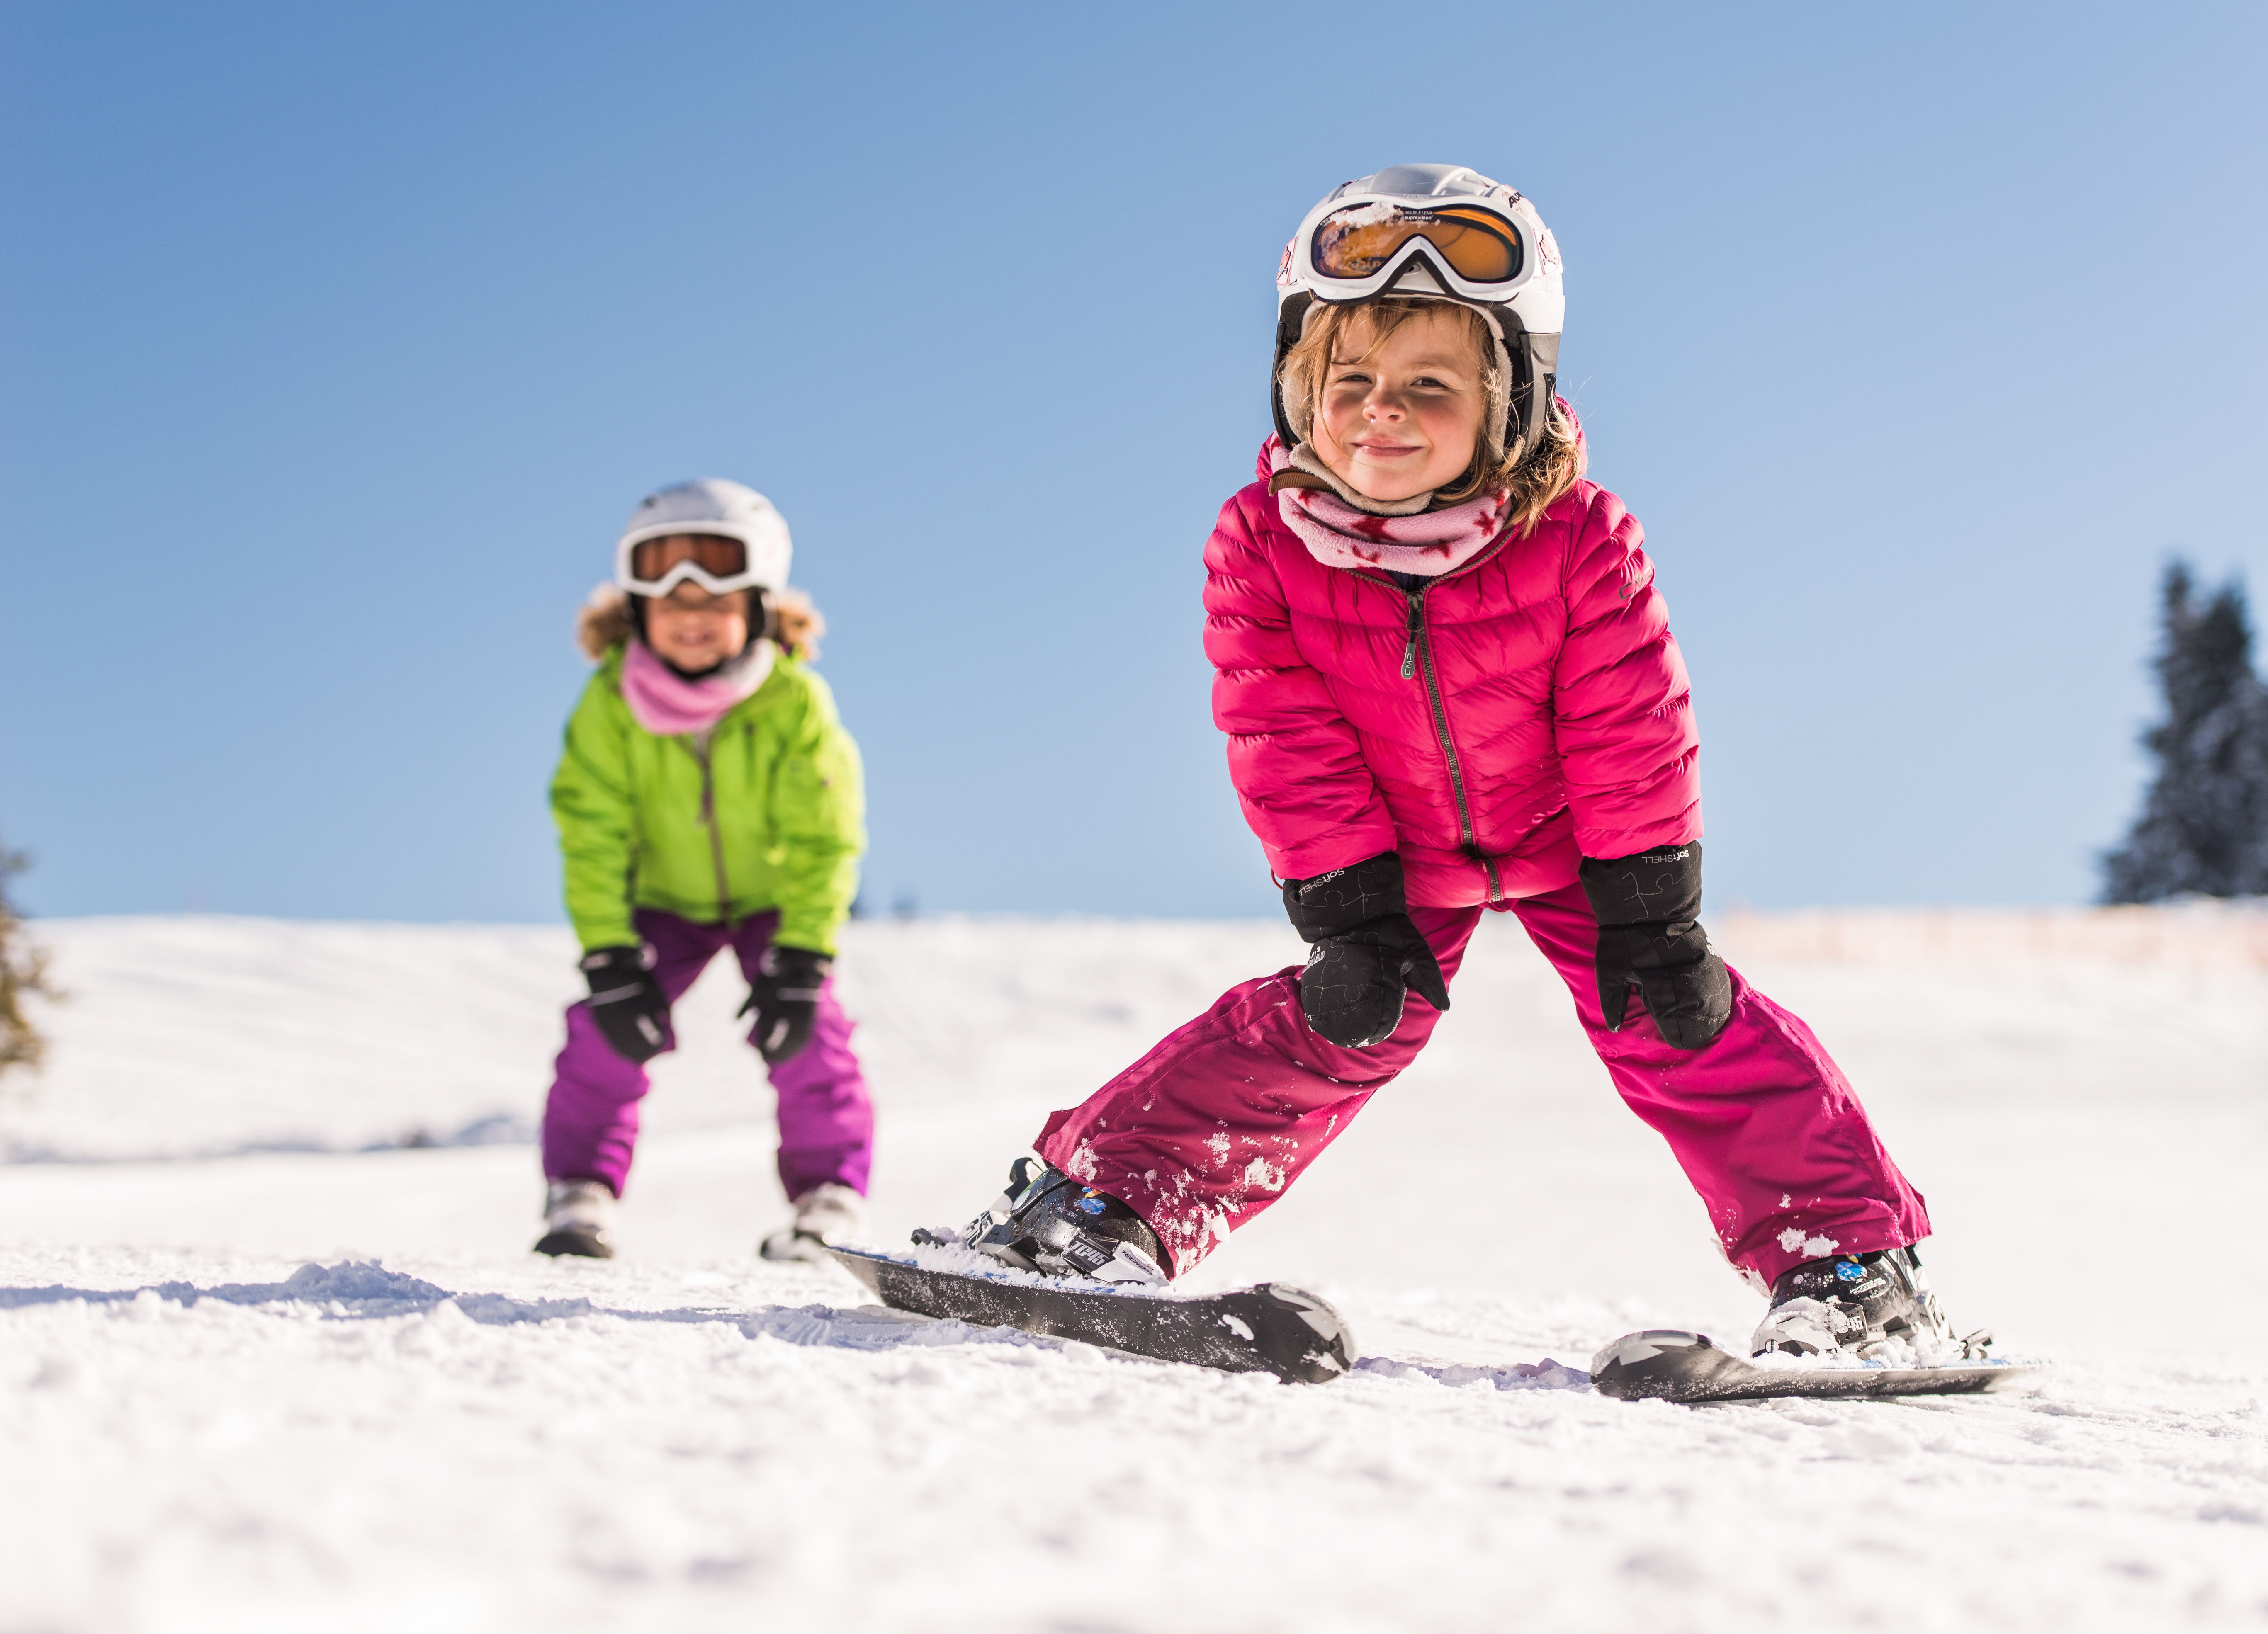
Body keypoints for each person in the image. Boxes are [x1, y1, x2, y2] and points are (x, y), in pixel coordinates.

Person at [953, 165, 1959, 1364]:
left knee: (1677, 1017)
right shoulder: (1262, 546)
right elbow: (1281, 730)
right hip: (1398, 856)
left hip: (1577, 843)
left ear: (1513, 401)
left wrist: (1650, 907)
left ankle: (1851, 1268)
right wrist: (1352, 911)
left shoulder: (1576, 535)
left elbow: (1628, 719)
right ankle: (1096, 1210)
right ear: (1295, 392)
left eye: (1430, 385)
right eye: (1351, 384)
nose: (1382, 412)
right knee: (1339, 1022)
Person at [538, 478, 873, 1262]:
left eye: (715, 607)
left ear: (756, 609)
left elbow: (826, 835)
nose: (693, 623)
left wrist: (803, 954)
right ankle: (579, 1192)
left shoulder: (793, 704)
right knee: (602, 1032)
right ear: (636, 612)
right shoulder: (609, 706)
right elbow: (590, 834)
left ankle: (829, 1199)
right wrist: (609, 955)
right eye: (672, 607)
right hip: (663, 901)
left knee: (810, 1032)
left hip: (770, 899)